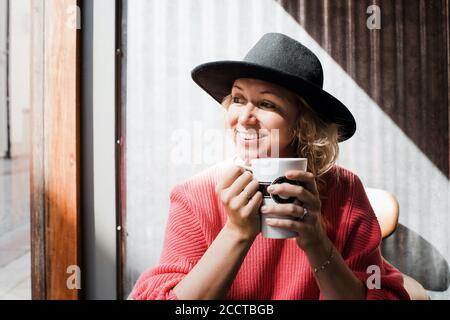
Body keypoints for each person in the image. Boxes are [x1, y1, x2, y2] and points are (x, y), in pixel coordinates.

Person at [130, 33, 413, 300]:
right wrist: (237, 232)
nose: (244, 118)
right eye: (238, 99)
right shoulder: (195, 196)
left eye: (266, 103)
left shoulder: (344, 190)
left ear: (303, 125)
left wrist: (316, 241)